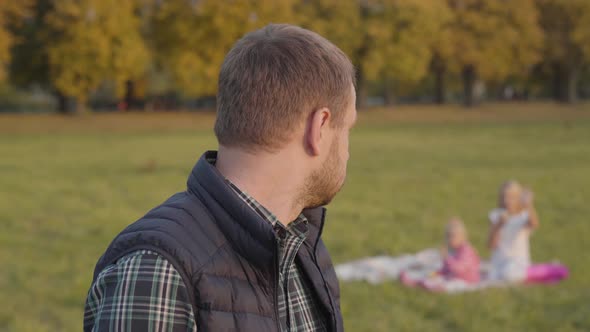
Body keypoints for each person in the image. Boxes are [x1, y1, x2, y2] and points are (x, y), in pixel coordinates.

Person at [84, 24, 357, 332]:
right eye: (347, 129)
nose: (347, 152)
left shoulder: (300, 243)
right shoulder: (156, 271)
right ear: (318, 128)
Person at [487, 181, 567, 283]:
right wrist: (498, 226)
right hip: (499, 263)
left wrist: (529, 205)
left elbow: (535, 224)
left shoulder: (523, 216)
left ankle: (550, 269)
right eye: (504, 197)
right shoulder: (496, 215)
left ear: (519, 199)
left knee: (510, 274)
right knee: (495, 277)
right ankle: (539, 273)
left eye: (511, 197)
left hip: (518, 262)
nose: (507, 201)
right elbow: (491, 245)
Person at [400, 218, 481, 291]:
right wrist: (438, 272)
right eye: (447, 236)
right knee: (434, 276)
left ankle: (437, 287)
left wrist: (447, 258)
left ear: (462, 236)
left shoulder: (466, 251)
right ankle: (417, 282)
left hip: (467, 279)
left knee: (454, 284)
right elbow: (446, 268)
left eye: (453, 236)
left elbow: (458, 269)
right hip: (453, 276)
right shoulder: (453, 249)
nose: (449, 239)